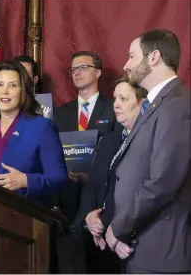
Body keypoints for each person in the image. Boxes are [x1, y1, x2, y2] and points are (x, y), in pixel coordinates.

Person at [105, 29, 191, 273]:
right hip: (142, 244)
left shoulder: (177, 104)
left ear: (153, 57)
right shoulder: (158, 103)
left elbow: (164, 181)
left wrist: (118, 228)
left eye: (132, 56)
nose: (126, 64)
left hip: (162, 252)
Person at [0, 60, 68, 207]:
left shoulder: (42, 127)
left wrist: (25, 180)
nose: (4, 91)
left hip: (26, 215)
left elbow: (59, 178)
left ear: (23, 91)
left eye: (12, 85)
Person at [73, 75, 148, 273]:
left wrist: (111, 227)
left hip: (129, 240)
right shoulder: (108, 140)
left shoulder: (149, 140)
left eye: (124, 99)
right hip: (97, 240)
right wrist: (89, 217)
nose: (116, 104)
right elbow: (93, 184)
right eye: (115, 98)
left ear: (142, 103)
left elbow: (142, 192)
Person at [54, 51, 118, 225]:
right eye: (73, 69)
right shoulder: (61, 112)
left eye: (83, 67)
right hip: (67, 197)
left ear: (98, 72)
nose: (76, 72)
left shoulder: (114, 108)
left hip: (101, 197)